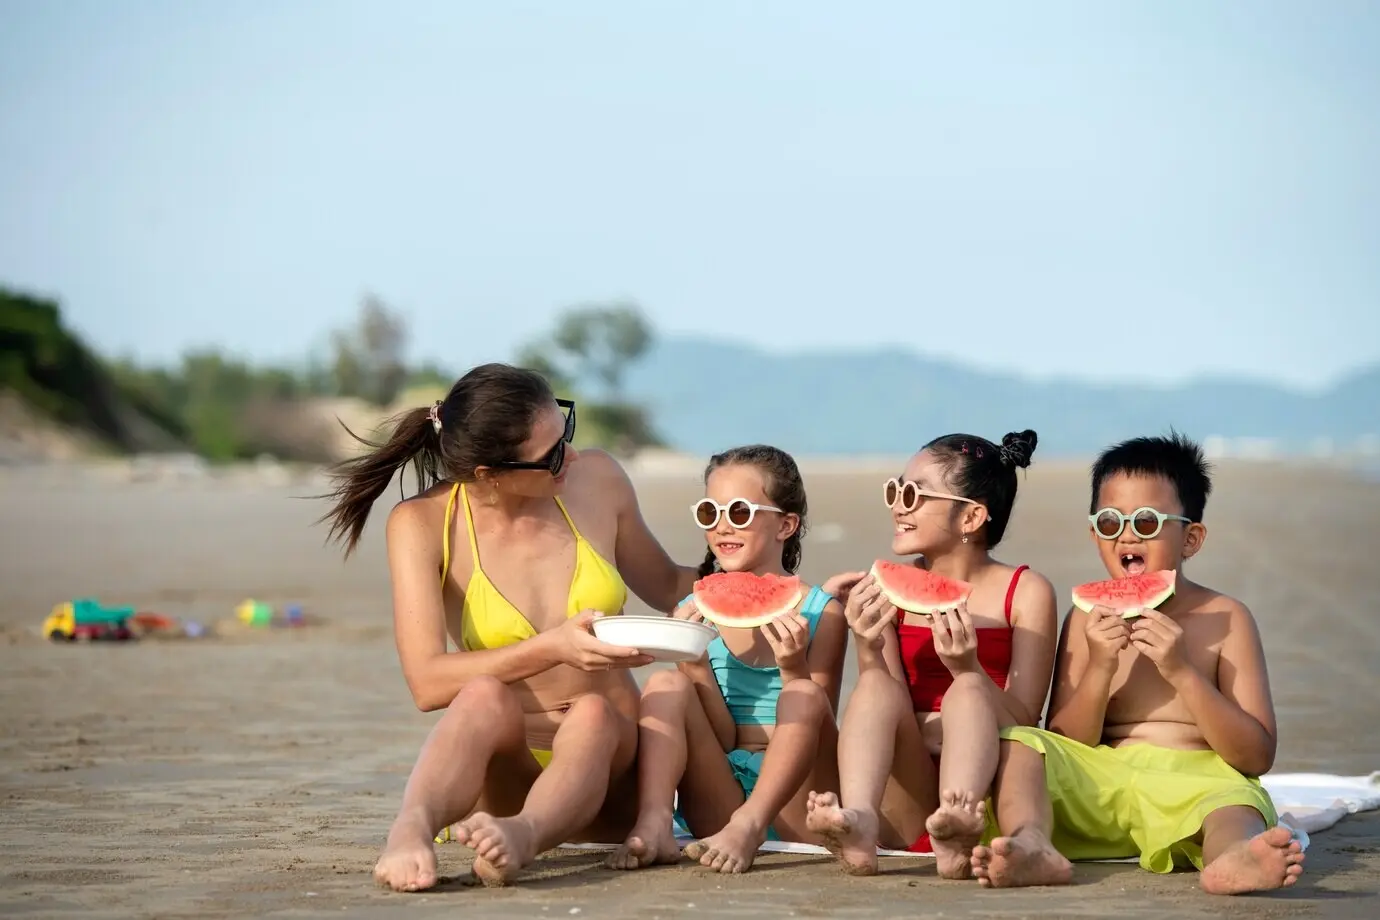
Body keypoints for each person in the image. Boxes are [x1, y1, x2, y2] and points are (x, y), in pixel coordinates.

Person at [317, 362, 701, 892]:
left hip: (609, 767)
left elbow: (667, 582)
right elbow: (427, 684)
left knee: (592, 713)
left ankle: (523, 837)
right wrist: (553, 648)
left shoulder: (598, 479)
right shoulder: (422, 524)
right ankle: (411, 830)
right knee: (481, 698)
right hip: (506, 775)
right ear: (486, 474)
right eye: (549, 457)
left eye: (564, 433)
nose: (569, 457)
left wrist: (762, 570)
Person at [970, 432, 1304, 895]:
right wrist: (1100, 669)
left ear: (1191, 538)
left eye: (1146, 522)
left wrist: (1182, 673)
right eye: (1110, 522)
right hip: (1102, 783)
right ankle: (1032, 842)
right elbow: (1069, 742)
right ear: (1095, 534)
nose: (1127, 534)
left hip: (1195, 783)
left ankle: (1233, 858)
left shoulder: (1226, 618)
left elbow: (1255, 756)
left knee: (1235, 804)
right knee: (1021, 743)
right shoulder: (1086, 617)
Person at [806, 430, 1059, 879]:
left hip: (987, 798)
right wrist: (868, 644)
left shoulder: (1026, 592)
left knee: (964, 691)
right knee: (874, 686)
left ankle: (955, 828)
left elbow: (1023, 722)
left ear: (972, 516)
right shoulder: (886, 589)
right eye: (894, 489)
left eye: (914, 494)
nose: (898, 505)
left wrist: (969, 670)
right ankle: (861, 821)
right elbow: (888, 702)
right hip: (908, 794)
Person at [607, 445, 849, 875]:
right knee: (666, 685)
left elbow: (818, 724)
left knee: (806, 695)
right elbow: (721, 740)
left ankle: (750, 824)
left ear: (786, 524)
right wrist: (695, 662)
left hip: (797, 798)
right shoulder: (694, 609)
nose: (722, 526)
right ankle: (656, 820)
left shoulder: (821, 611)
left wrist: (792, 668)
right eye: (709, 513)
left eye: (739, 512)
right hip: (721, 798)